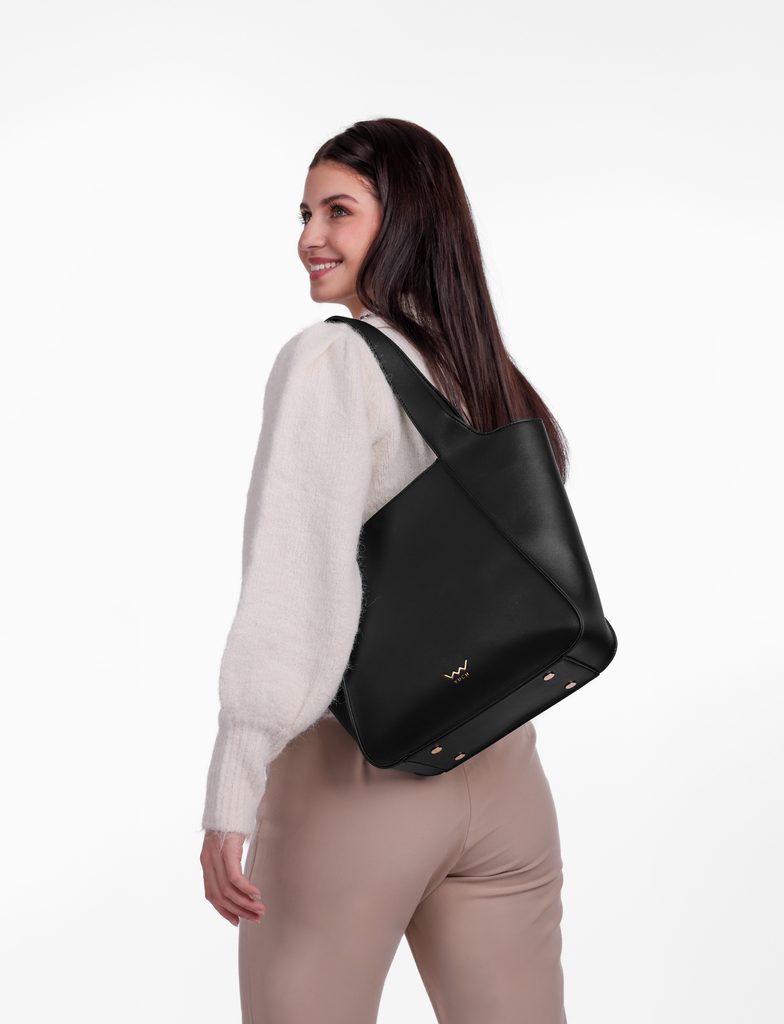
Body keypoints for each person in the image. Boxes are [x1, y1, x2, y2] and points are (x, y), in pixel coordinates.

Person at [199, 117, 571, 1024]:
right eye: (305, 213)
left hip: (358, 779)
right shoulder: (489, 374)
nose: (310, 237)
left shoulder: (332, 359)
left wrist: (234, 784)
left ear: (406, 221)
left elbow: (297, 587)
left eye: (339, 211)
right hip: (507, 774)